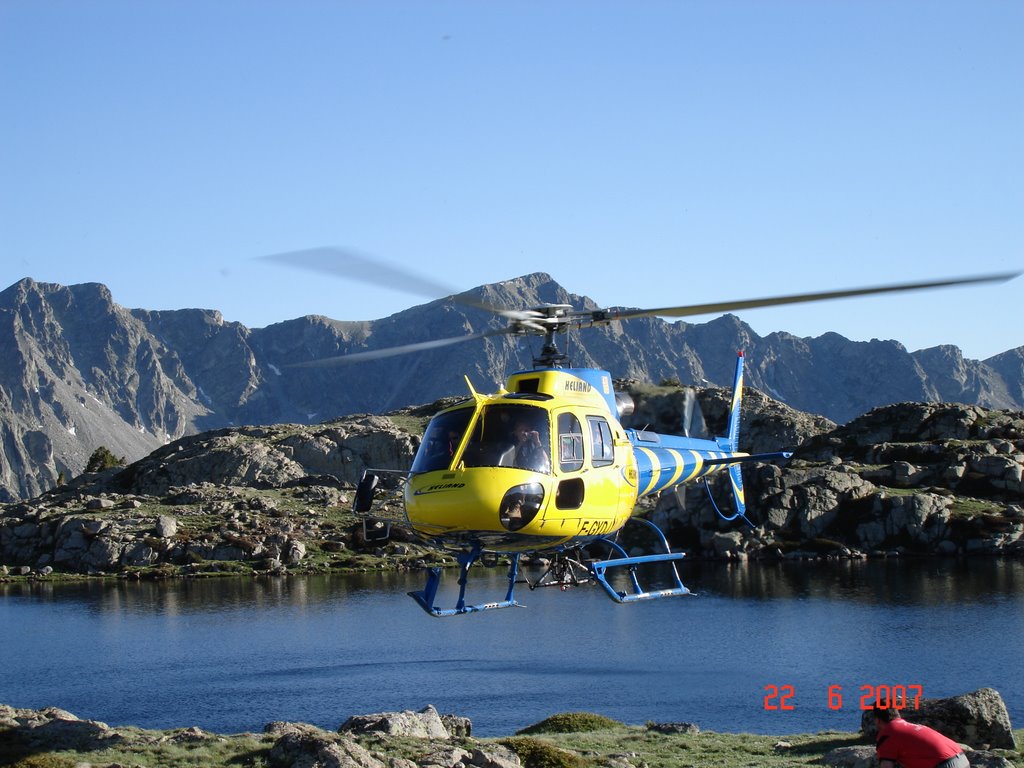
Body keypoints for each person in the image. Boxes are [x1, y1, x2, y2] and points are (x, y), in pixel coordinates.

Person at [872, 705, 968, 768]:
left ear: (877, 720)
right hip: (962, 759)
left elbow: (886, 766)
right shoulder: (909, 727)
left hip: (944, 765)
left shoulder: (887, 734)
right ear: (898, 715)